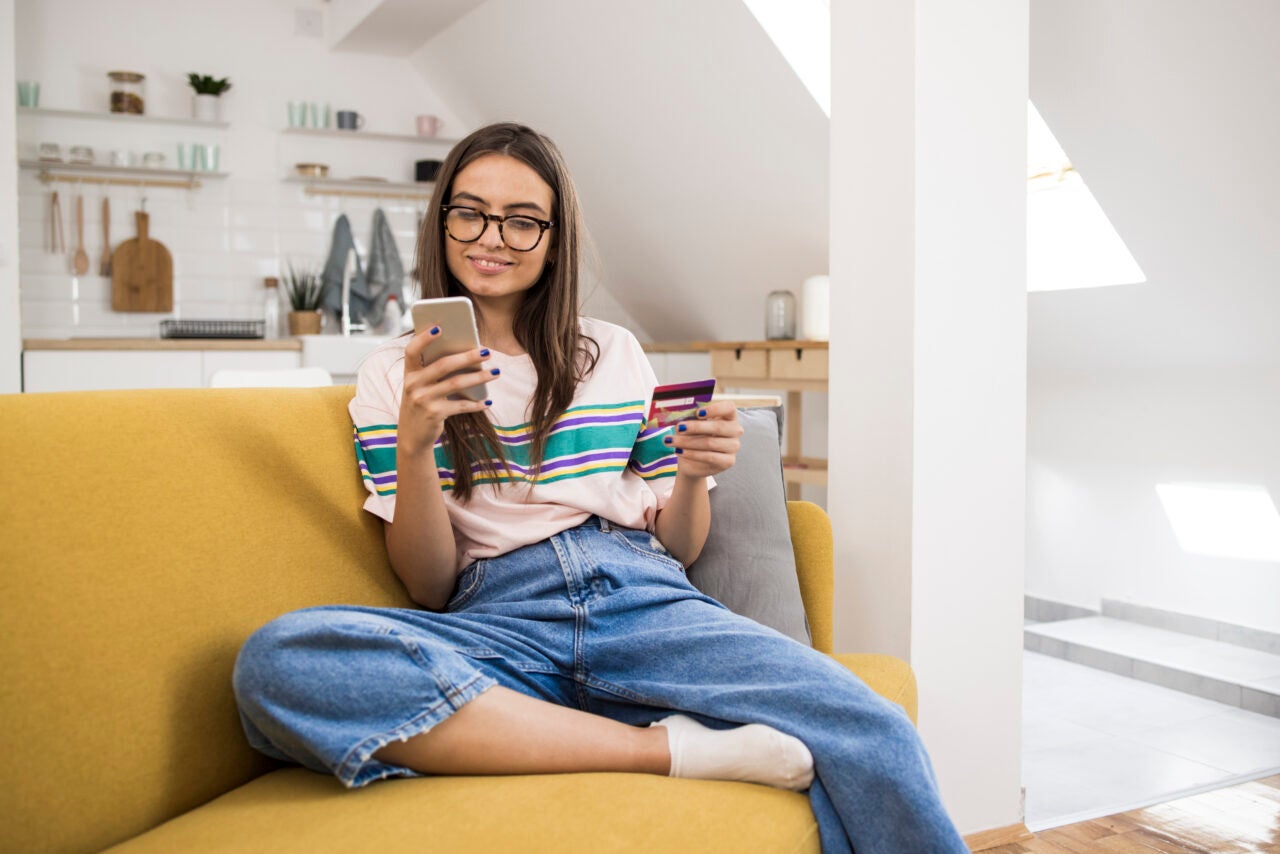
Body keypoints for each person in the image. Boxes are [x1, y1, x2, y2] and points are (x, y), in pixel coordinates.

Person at [233, 122, 968, 853]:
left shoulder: (611, 352)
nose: (492, 237)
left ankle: (582, 725)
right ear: (442, 220)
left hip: (640, 597)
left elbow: (679, 548)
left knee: (870, 726)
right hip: (500, 620)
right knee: (280, 661)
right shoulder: (393, 375)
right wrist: (416, 442)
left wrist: (690, 475)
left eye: (523, 221)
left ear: (555, 239)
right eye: (470, 211)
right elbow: (428, 587)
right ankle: (665, 748)